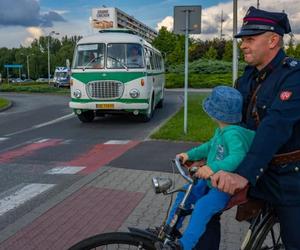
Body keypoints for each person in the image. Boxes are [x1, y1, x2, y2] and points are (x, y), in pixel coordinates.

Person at [206, 6, 300, 249]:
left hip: (290, 180)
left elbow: (275, 126)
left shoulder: (294, 76)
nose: (243, 45)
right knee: (205, 205)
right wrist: (212, 159)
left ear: (273, 40)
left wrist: (243, 174)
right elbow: (233, 127)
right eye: (242, 39)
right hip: (259, 172)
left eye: (250, 39)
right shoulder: (247, 78)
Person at [155, 86, 255, 250]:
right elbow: (209, 147)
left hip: (223, 186)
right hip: (210, 181)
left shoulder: (233, 133)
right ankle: (169, 229)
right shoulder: (222, 130)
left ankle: (184, 245)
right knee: (184, 194)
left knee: (203, 207)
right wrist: (189, 155)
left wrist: (212, 167)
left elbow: (238, 156)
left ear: (214, 113)